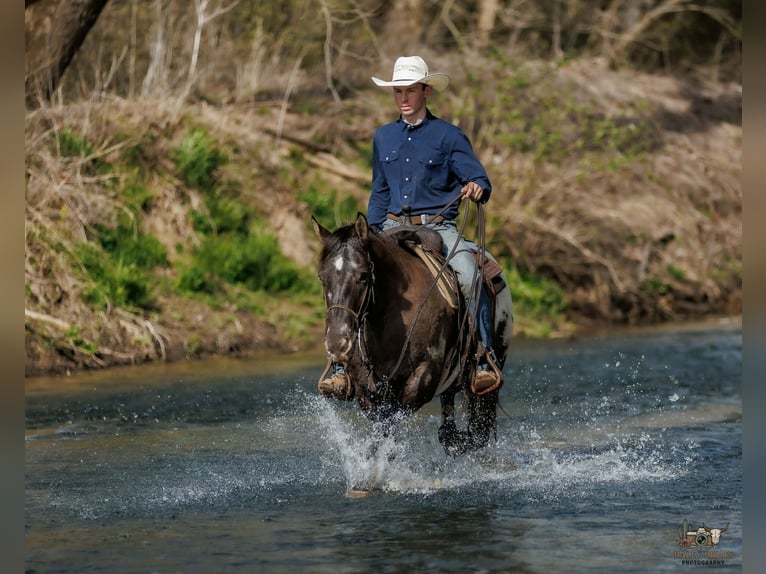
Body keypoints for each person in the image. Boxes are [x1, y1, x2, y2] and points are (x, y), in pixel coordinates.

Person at [319, 55, 502, 399]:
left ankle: (481, 358)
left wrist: (477, 186)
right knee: (347, 274)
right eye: (398, 91)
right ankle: (341, 364)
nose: (403, 98)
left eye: (411, 90)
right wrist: (368, 236)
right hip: (389, 227)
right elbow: (379, 191)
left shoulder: (449, 136)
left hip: (439, 226)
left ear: (426, 91)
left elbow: (478, 176)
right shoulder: (383, 137)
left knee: (469, 273)